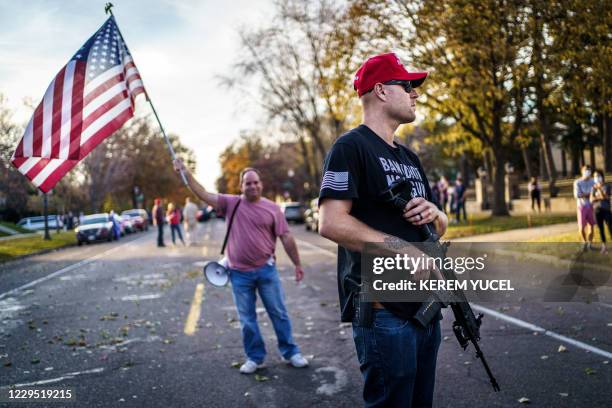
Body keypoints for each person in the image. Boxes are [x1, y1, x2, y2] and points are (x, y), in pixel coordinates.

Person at [318, 52, 449, 407]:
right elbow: (329, 221)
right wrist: (399, 247)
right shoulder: (350, 147)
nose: (416, 93)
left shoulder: (410, 158)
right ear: (380, 91)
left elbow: (438, 225)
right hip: (384, 314)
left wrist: (437, 212)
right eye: (408, 85)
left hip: (425, 308)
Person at [173, 160, 309, 374]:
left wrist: (297, 264)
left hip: (266, 270)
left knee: (279, 313)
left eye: (255, 182)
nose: (252, 186)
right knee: (247, 320)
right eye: (248, 183)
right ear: (241, 186)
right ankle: (255, 358)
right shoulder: (231, 203)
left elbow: (286, 237)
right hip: (238, 274)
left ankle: (290, 352)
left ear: (260, 184)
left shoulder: (273, 209)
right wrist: (186, 172)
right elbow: (203, 193)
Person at [574, 165, 595, 251]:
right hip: (581, 207)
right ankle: (584, 242)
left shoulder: (593, 181)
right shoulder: (577, 182)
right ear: (582, 171)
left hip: (591, 206)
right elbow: (577, 195)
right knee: (581, 227)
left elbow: (595, 194)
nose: (588, 172)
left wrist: (586, 194)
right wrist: (589, 194)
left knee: (591, 226)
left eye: (589, 170)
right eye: (586, 170)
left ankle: (590, 244)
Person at [591, 169, 611, 254]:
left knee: (610, 227)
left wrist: (599, 189)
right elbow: (591, 199)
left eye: (598, 176)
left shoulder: (607, 186)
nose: (597, 178)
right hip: (597, 210)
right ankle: (604, 247)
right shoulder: (593, 187)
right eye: (595, 176)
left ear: (602, 177)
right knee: (601, 229)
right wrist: (598, 197)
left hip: (606, 210)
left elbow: (605, 197)